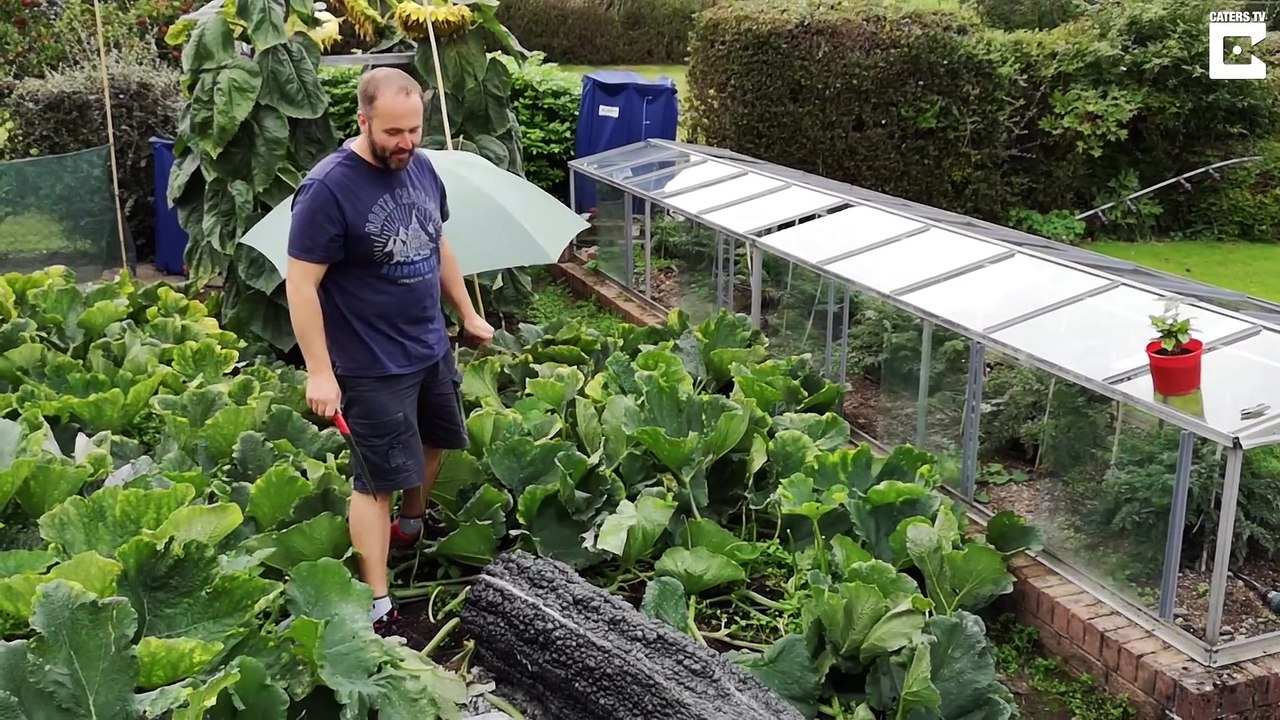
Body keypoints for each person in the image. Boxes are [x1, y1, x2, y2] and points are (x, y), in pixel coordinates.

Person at [285, 66, 494, 630]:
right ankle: (378, 602)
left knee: (434, 441)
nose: (405, 143)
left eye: (414, 130)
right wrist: (320, 373)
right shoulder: (328, 188)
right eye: (393, 133)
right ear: (364, 120)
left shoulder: (422, 168)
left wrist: (467, 312)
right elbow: (301, 283)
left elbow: (438, 240)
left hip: (428, 345)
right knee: (374, 479)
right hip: (369, 362)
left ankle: (412, 522)